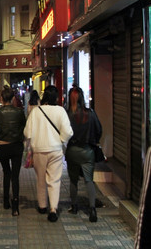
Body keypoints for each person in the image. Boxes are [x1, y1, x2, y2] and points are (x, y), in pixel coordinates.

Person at [24, 85, 73, 222]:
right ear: (56, 97)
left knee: (40, 179)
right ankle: (53, 208)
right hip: (55, 149)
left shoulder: (36, 111)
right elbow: (68, 132)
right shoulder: (60, 111)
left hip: (39, 149)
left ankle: (42, 206)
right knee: (54, 180)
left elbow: (27, 132)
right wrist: (61, 140)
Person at [65, 85, 102, 222]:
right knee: (89, 180)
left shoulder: (68, 114)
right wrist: (94, 141)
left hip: (72, 151)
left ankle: (74, 206)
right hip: (88, 151)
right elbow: (99, 130)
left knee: (73, 180)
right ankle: (92, 209)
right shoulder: (91, 113)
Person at [0, 85, 27, 216]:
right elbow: (23, 126)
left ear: (1, 98)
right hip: (17, 146)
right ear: (13, 98)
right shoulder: (19, 112)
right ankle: (15, 206)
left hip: (3, 146)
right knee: (15, 176)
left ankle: (6, 201)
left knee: (6, 173)